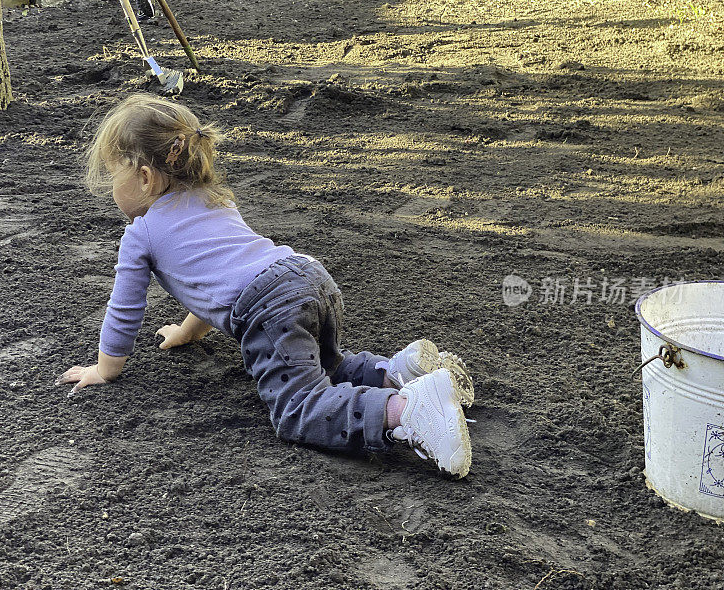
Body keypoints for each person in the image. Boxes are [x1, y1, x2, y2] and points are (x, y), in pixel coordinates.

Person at [55, 94, 475, 477]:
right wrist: (186, 331)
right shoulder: (215, 199)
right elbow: (219, 274)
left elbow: (125, 309)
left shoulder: (141, 234)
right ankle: (398, 371)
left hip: (270, 307)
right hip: (307, 276)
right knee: (324, 366)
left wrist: (105, 368)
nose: (111, 188)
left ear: (145, 177)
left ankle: (408, 410)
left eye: (113, 175)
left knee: (298, 409)